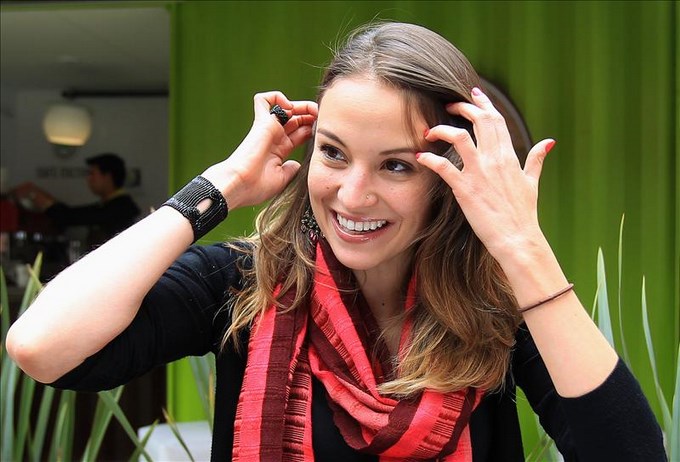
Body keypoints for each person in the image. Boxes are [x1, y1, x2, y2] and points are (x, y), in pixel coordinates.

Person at [6, 22, 665, 461]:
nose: (353, 195)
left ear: (445, 178)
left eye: (396, 165)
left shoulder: (492, 306)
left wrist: (521, 247)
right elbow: (42, 347)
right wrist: (223, 183)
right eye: (334, 153)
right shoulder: (247, 281)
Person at [13, 153, 140, 248]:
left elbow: (68, 217)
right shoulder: (113, 204)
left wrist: (34, 194)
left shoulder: (120, 207)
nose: (88, 179)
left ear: (107, 177)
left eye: (92, 174)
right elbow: (69, 213)